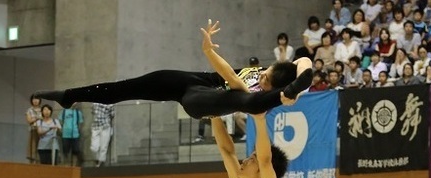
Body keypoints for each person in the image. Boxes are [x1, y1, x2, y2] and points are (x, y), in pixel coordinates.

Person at [36, 20, 313, 120]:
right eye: (265, 72)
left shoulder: (260, 94)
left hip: (209, 100)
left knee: (249, 101)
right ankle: (70, 95)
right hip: (197, 82)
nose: (261, 75)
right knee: (132, 86)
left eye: (265, 79)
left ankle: (281, 95)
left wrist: (208, 51)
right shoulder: (276, 70)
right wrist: (303, 74)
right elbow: (304, 63)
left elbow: (231, 77)